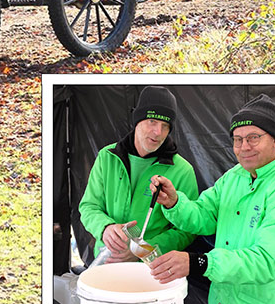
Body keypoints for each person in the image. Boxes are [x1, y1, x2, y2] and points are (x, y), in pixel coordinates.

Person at [146, 94, 275, 304]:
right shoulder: (234, 177)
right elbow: (204, 216)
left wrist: (199, 263)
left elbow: (265, 261)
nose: (244, 146)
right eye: (237, 139)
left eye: (253, 137)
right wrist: (174, 203)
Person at [79, 84, 198, 266]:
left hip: (152, 269)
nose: (158, 132)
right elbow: (88, 206)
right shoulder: (107, 157)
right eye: (152, 121)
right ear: (137, 120)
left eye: (165, 125)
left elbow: (187, 231)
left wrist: (141, 251)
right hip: (106, 261)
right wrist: (105, 228)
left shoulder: (182, 170)